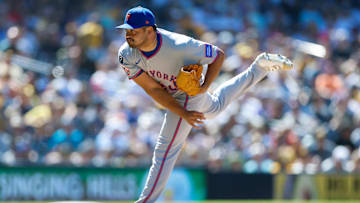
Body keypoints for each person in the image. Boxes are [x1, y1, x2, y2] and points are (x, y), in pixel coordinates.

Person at [116, 6, 293, 203]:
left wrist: (203, 87)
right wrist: (182, 112)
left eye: (134, 30)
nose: (128, 34)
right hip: (173, 95)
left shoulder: (178, 45)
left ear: (150, 30)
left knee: (165, 149)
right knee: (216, 107)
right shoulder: (126, 54)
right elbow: (154, 90)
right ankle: (259, 67)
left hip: (190, 93)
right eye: (126, 30)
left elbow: (218, 55)